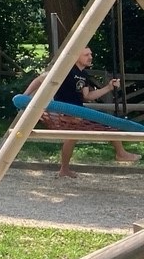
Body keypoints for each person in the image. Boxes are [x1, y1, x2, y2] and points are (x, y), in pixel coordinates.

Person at [24, 47, 141, 177]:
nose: (90, 57)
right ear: (76, 56)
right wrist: (24, 96)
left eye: (91, 54)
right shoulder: (66, 70)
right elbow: (39, 80)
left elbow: (87, 96)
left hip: (77, 113)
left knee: (72, 137)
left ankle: (64, 169)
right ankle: (121, 153)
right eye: (86, 54)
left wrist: (108, 87)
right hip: (65, 113)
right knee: (109, 124)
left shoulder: (83, 75)